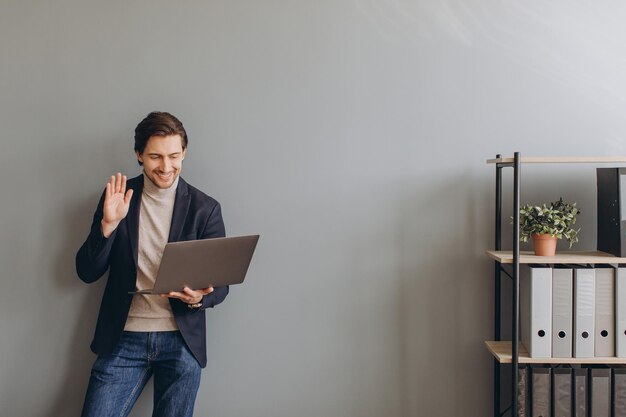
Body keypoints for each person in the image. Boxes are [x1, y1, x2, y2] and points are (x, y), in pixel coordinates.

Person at [76, 111, 228, 417]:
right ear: (139, 155)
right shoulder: (117, 198)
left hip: (182, 342)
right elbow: (87, 271)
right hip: (123, 338)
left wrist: (200, 298)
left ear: (184, 152)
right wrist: (107, 225)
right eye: (155, 157)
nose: (166, 167)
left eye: (174, 156)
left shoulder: (205, 209)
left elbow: (221, 285)